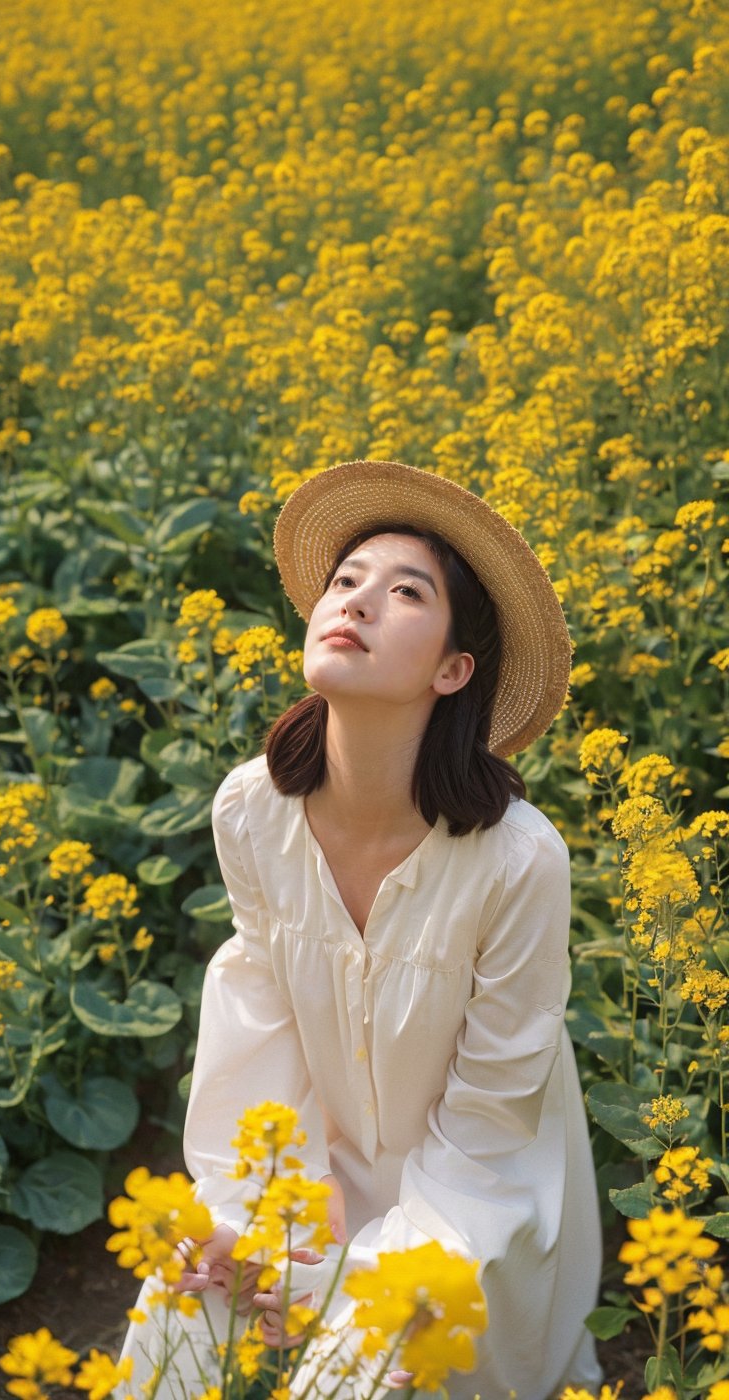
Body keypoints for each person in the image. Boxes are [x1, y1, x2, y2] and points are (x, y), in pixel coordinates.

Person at [119, 458, 603, 1399]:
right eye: (346, 581)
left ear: (454, 670)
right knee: (173, 1322)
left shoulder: (519, 861)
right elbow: (257, 1042)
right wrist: (260, 1227)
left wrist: (349, 1280)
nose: (358, 601)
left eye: (405, 592)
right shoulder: (250, 811)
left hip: (476, 1200)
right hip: (315, 1171)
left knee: (359, 1371)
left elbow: (488, 1127)